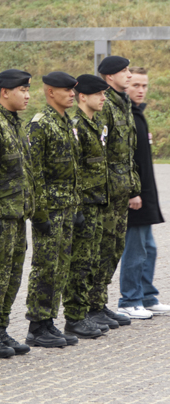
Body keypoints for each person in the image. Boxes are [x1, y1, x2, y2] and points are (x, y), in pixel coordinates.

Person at [0, 69, 35, 358]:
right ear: (4, 92)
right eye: (22, 89)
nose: (27, 95)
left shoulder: (15, 124)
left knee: (11, 276)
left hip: (16, 214)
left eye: (27, 90)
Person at [25, 72, 81, 348]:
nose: (72, 94)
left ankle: (50, 320)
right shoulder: (40, 124)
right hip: (50, 209)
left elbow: (74, 168)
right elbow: (33, 173)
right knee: (45, 267)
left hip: (67, 206)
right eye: (66, 90)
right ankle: (37, 325)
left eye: (73, 90)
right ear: (50, 92)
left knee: (61, 266)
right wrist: (40, 213)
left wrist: (77, 204)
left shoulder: (67, 122)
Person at [88, 56, 140, 328]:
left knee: (113, 248)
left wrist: (133, 189)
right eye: (124, 71)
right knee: (101, 248)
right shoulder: (106, 106)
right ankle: (90, 306)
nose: (129, 75)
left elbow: (127, 154)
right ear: (109, 77)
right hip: (107, 193)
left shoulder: (123, 104)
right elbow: (101, 151)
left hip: (120, 191)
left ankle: (99, 303)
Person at [62, 74, 112, 338]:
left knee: (91, 260)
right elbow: (75, 170)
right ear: (84, 96)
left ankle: (88, 311)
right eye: (100, 94)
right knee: (79, 263)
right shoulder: (76, 126)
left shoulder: (96, 123)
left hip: (97, 202)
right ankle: (75, 316)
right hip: (83, 204)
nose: (104, 98)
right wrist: (78, 208)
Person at [118, 67, 170, 318]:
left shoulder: (138, 113)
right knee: (135, 249)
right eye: (135, 85)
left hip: (146, 194)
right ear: (125, 85)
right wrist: (131, 192)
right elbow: (123, 159)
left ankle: (147, 296)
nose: (140, 90)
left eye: (144, 86)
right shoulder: (124, 115)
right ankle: (129, 300)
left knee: (149, 247)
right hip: (134, 196)